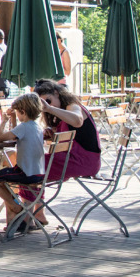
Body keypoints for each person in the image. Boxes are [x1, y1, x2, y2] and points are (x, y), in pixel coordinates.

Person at [27, 79, 102, 224]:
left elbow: (77, 121)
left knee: (29, 165)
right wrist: (53, 133)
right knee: (31, 164)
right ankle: (36, 213)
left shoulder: (73, 106)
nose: (47, 105)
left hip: (84, 161)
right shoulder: (61, 112)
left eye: (48, 100)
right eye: (43, 104)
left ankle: (27, 214)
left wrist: (50, 109)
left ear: (57, 93)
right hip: (75, 159)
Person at [0, 93, 45, 232]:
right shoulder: (36, 126)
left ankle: (14, 205)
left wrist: (4, 121)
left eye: (17, 112)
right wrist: (13, 118)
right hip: (38, 173)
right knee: (1, 179)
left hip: (25, 173)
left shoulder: (23, 127)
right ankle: (15, 208)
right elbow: (15, 132)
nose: (16, 114)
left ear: (22, 112)